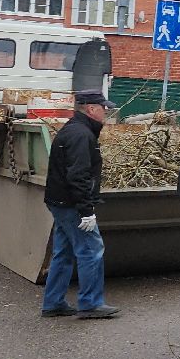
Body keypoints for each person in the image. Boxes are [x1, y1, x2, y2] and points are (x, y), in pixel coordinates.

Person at [41, 89, 119, 319]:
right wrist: (86, 210)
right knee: (91, 250)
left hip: (60, 201)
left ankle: (53, 302)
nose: (106, 112)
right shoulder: (81, 135)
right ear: (91, 108)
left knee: (63, 252)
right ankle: (90, 304)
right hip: (72, 204)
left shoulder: (74, 129)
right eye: (103, 108)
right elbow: (78, 175)